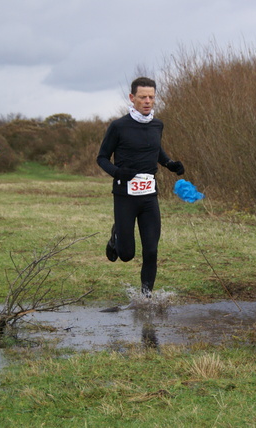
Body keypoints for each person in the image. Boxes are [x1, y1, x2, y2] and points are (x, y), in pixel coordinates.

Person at [97, 77, 185, 298]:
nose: (147, 101)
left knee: (152, 250)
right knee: (126, 255)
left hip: (149, 196)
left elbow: (156, 150)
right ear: (132, 98)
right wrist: (118, 172)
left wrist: (170, 164)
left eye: (151, 97)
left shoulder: (157, 125)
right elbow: (102, 158)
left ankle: (146, 298)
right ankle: (116, 234)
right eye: (143, 97)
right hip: (125, 195)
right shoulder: (119, 126)